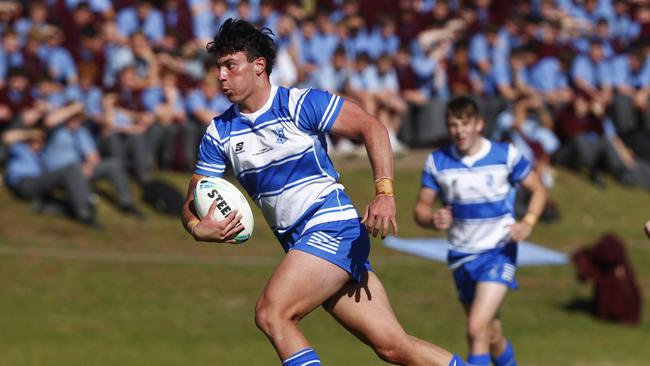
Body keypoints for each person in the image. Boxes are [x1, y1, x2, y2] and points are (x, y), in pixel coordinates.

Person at [181, 19, 466, 366]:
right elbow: (193, 202)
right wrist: (198, 228)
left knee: (273, 314)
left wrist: (385, 192)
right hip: (303, 244)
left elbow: (371, 127)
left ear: (259, 66)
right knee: (394, 347)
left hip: (332, 227)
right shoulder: (219, 132)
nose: (221, 76)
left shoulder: (299, 104)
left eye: (230, 66)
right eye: (218, 68)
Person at [413, 96, 548, 366]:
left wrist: (528, 222)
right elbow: (421, 209)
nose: (459, 131)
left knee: (475, 329)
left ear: (479, 124)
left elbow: (539, 190)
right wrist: (432, 219)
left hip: (499, 251)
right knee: (491, 334)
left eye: (465, 124)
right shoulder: (438, 162)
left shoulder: (505, 155)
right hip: (462, 256)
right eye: (453, 125)